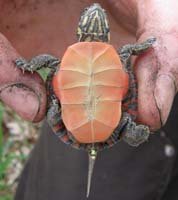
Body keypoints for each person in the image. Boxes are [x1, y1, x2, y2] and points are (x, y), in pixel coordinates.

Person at [0, 0, 178, 199]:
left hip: (74, 119)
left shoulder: (77, 56)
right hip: (108, 120)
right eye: (89, 13)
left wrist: (30, 66)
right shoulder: (120, 54)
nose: (96, 11)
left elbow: (51, 67)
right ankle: (133, 132)